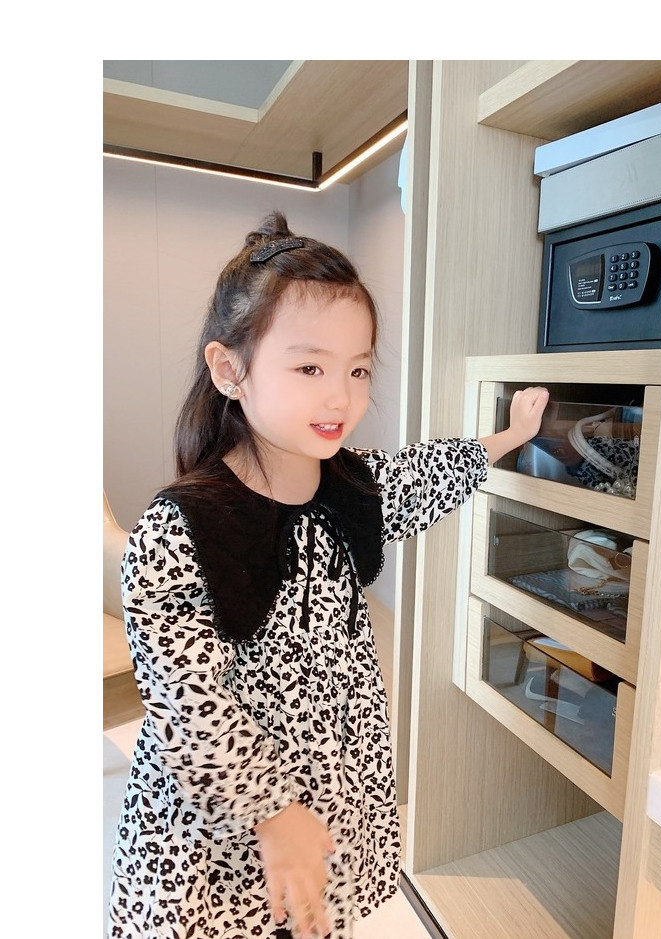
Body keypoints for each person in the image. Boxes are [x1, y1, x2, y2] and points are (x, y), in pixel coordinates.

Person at [107, 211, 549, 939]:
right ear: (229, 369)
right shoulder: (181, 527)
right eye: (310, 367)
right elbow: (187, 701)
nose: (341, 397)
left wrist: (513, 434)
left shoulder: (350, 489)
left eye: (358, 369)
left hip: (329, 803)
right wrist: (271, 812)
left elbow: (427, 472)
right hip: (221, 835)